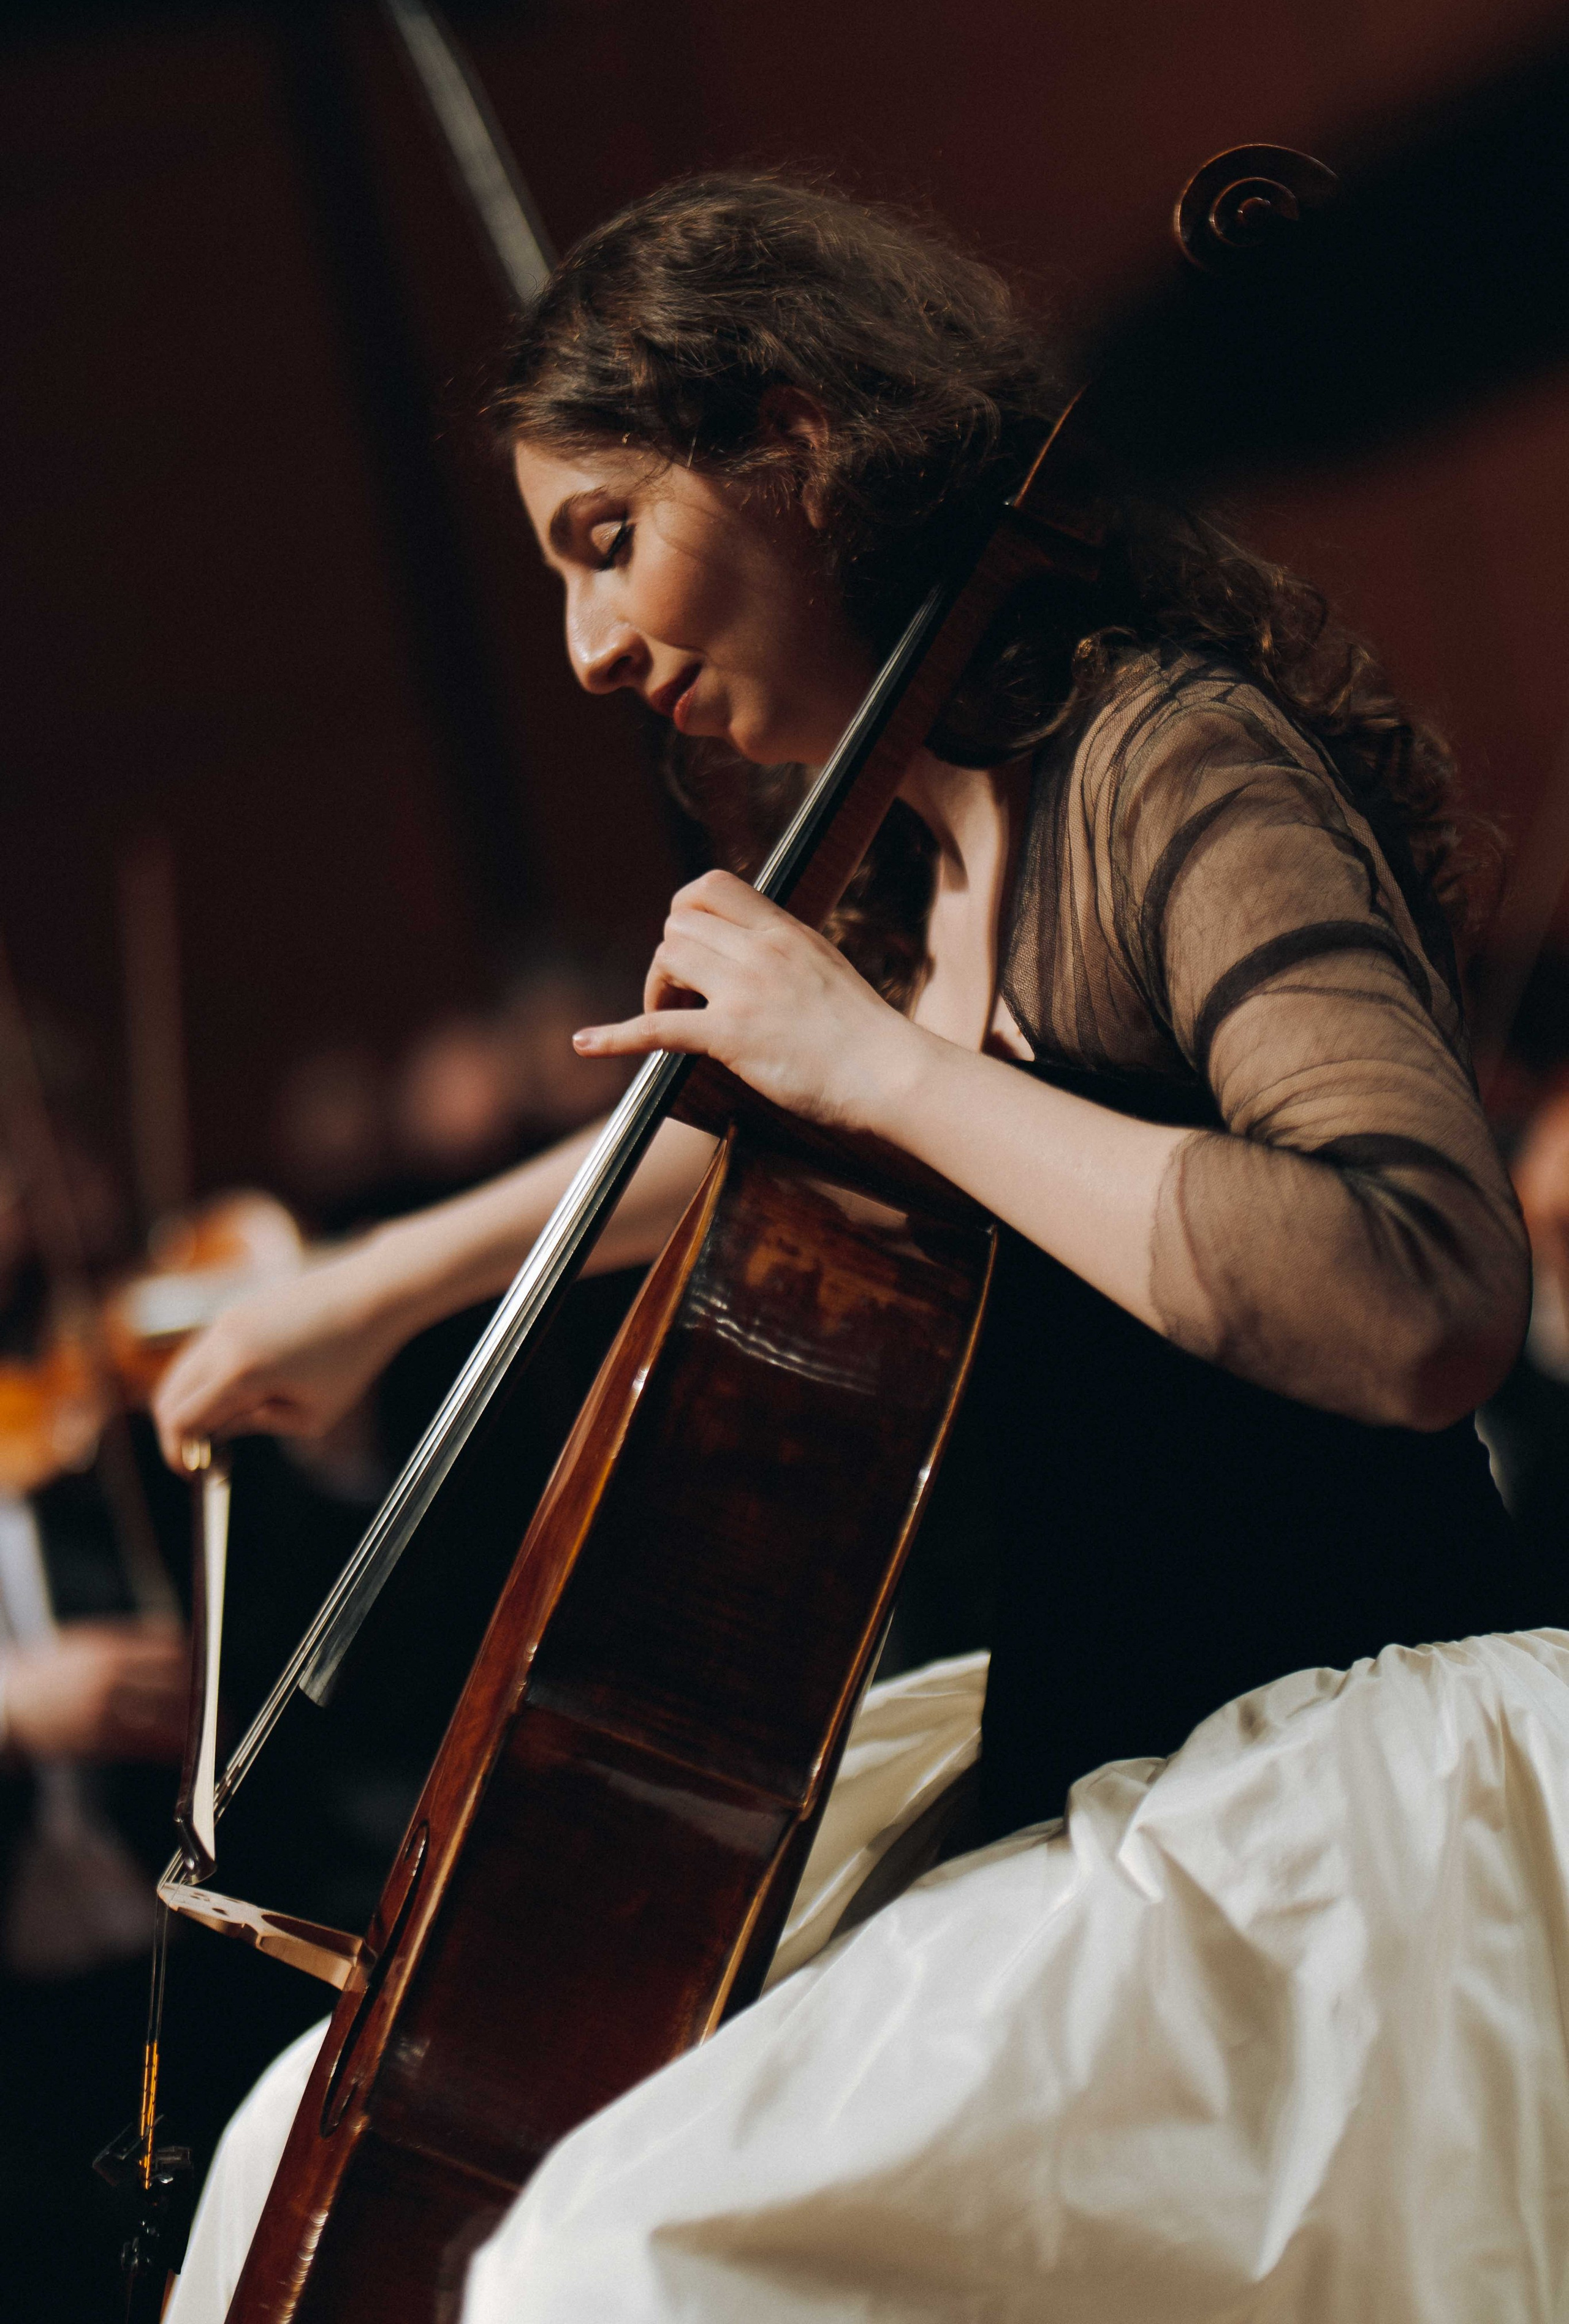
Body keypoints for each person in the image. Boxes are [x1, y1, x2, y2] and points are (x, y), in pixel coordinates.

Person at [155, 175, 1565, 2320]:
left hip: (1311, 1773)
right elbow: (777, 1161)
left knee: (622, 2269)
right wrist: (374, 1292)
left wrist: (877, 1064)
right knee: (292, 2151)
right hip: (1079, 1754)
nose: (588, 648)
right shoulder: (912, 865)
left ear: (798, 443)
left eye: (604, 538)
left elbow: (1427, 1294)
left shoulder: (1162, 759)